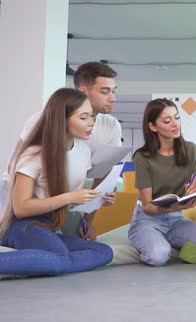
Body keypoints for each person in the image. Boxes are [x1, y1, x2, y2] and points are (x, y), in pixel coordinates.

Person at [1, 61, 120, 239]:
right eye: (105, 91)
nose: (113, 98)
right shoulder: (42, 123)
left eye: (114, 91)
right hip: (23, 194)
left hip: (65, 198)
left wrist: (89, 219)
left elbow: (102, 175)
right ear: (83, 92)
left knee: (87, 247)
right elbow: (17, 167)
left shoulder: (107, 128)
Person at [0, 88, 113, 276]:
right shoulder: (34, 155)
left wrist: (99, 198)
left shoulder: (83, 152)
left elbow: (73, 199)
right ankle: (57, 261)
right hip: (20, 225)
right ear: (63, 118)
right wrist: (68, 197)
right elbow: (20, 208)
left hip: (52, 226)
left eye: (92, 116)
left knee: (103, 251)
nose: (91, 123)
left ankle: (57, 262)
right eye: (84, 117)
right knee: (60, 256)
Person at [128, 98, 196, 267]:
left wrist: (193, 194)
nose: (175, 124)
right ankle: (151, 242)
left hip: (175, 221)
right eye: (167, 121)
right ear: (152, 126)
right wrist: (178, 207)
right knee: (158, 257)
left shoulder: (191, 150)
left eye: (177, 117)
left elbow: (195, 186)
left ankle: (166, 244)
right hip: (148, 220)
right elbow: (148, 207)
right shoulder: (142, 157)